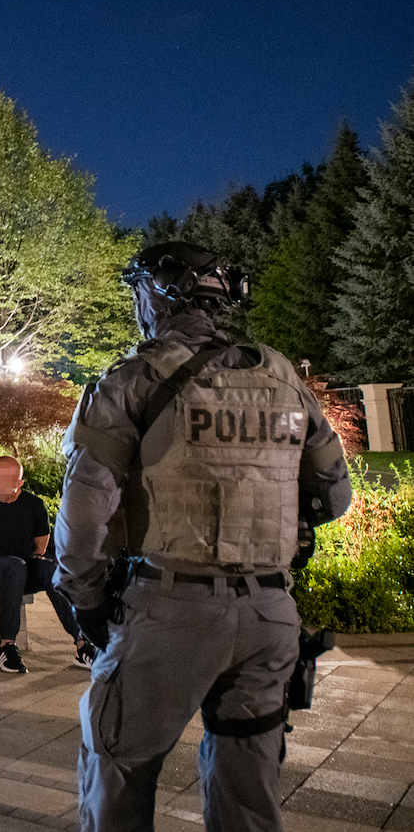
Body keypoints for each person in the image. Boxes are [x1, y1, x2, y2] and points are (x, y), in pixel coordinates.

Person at [55, 241, 351, 832]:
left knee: (117, 767)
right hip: (271, 616)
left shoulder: (132, 379)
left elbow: (84, 519)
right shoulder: (280, 373)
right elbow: (333, 496)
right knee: (249, 790)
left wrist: (86, 599)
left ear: (155, 294)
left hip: (169, 610)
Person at [0, 455, 93, 673]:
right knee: (14, 567)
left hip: (21, 569)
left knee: (51, 569)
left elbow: (40, 547)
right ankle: (6, 646)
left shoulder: (34, 506)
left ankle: (83, 644)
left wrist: (26, 568)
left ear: (18, 484)